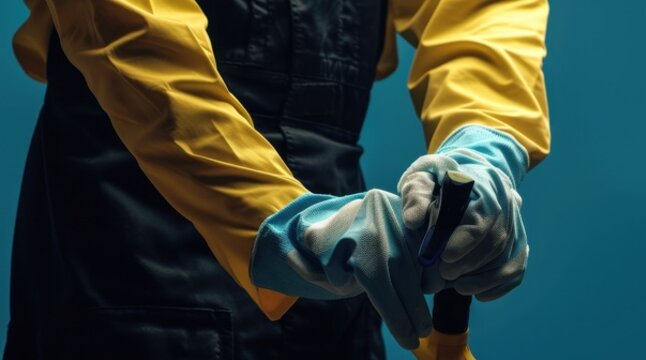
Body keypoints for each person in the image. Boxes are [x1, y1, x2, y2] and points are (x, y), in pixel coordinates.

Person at [4, 0, 549, 358]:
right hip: (134, 251)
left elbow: (478, 11)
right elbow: (130, 31)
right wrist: (279, 226)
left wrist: (484, 145)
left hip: (340, 295)